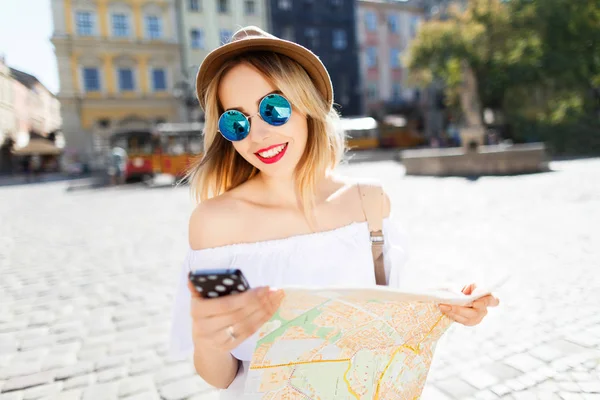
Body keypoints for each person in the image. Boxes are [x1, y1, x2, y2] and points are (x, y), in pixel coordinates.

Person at [169, 26, 499, 397]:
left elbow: (389, 307)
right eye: (236, 121)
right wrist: (208, 339)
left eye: (273, 109)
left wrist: (451, 300)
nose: (257, 135)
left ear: (307, 105)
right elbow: (222, 376)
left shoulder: (368, 201)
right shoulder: (213, 224)